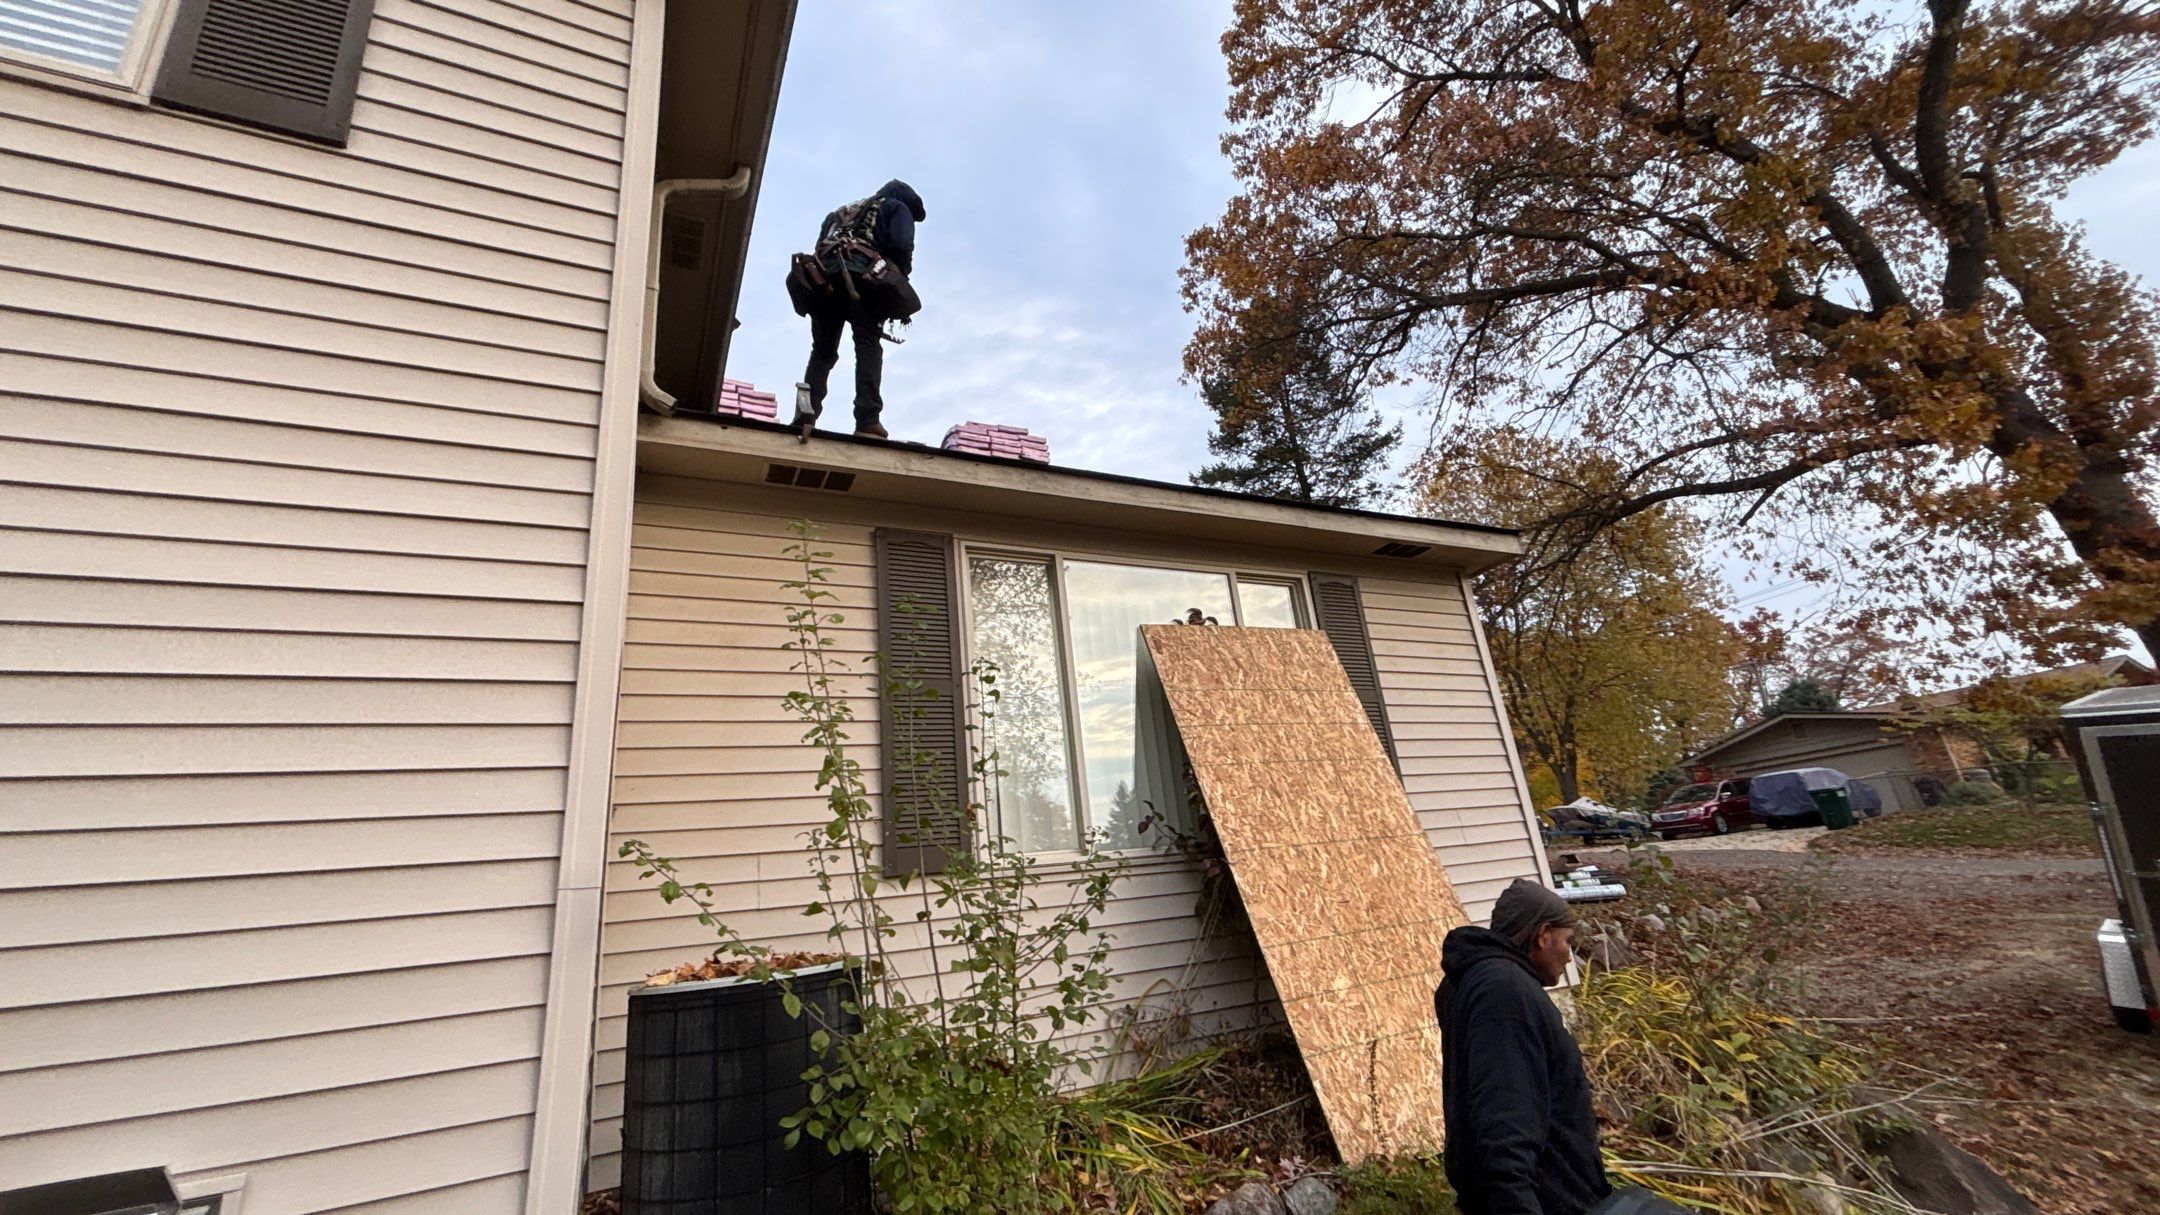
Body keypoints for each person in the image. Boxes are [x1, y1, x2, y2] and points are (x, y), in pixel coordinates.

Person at [1435, 878, 1612, 1215]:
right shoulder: (1504, 993)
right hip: (1542, 1199)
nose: (1569, 957)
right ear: (1543, 935)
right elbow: (1505, 1116)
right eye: (1566, 941)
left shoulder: (1472, 982)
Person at [794, 179, 926, 439]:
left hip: (823, 280)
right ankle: (867, 420)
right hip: (862, 281)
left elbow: (820, 244)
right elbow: (901, 245)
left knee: (822, 351)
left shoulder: (839, 213)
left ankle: (805, 412)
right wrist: (899, 279)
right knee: (867, 345)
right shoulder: (897, 207)